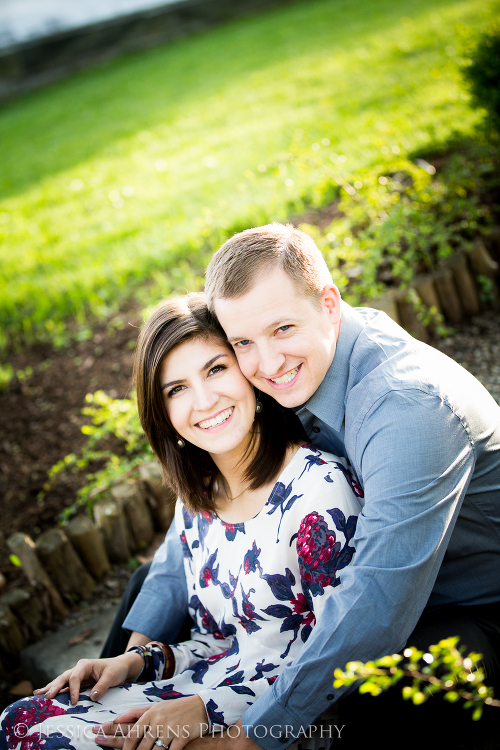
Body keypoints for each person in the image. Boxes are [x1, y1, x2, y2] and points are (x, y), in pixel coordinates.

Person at [107, 223, 500, 748]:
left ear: (330, 305)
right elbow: (198, 532)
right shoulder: (287, 373)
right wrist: (134, 658)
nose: (267, 363)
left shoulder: (408, 406)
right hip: (362, 581)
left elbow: (376, 603)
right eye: (243, 342)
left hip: (469, 610)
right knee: (148, 592)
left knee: (373, 689)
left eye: (283, 329)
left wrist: (247, 737)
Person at [0, 294, 361, 750]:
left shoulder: (320, 492)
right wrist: (137, 664)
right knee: (21, 720)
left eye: (216, 369)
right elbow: (221, 645)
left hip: (277, 725)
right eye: (177, 389)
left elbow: (338, 658)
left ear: (249, 374)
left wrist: (206, 713)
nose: (205, 400)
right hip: (196, 692)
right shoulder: (197, 503)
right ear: (164, 416)